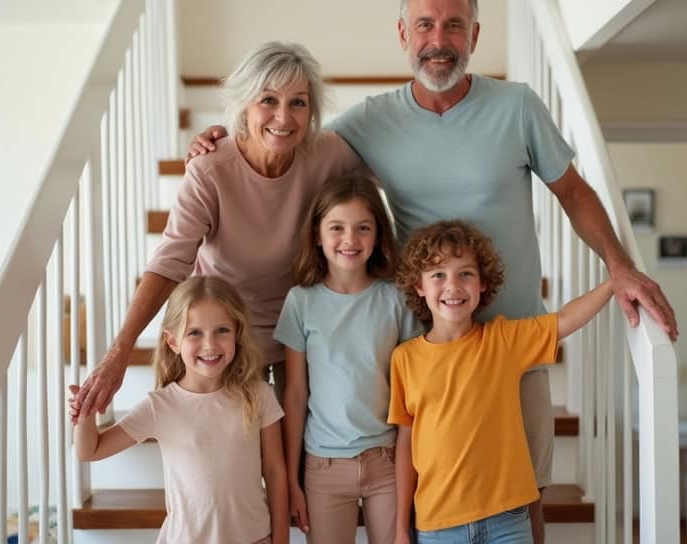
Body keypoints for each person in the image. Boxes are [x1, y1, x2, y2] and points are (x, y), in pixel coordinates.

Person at [188, 0, 677, 540]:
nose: (438, 40)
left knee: (525, 499)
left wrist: (619, 266)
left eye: (453, 25)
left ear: (474, 34)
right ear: (403, 33)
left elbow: (573, 192)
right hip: (429, 349)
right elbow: (286, 135)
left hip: (514, 343)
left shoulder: (518, 106)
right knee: (433, 503)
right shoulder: (372, 121)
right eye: (424, 25)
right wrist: (222, 137)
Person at [72, 41, 363, 422]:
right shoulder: (210, 169)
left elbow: (392, 181)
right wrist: (120, 351)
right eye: (268, 100)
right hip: (224, 338)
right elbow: (169, 263)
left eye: (298, 102)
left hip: (300, 334)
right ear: (244, 104)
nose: (284, 116)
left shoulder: (328, 155)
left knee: (301, 450)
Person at [389, 220, 613, 543]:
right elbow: (405, 443)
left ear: (482, 284)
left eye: (465, 274)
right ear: (419, 286)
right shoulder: (404, 359)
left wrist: (615, 282)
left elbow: (565, 320)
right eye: (438, 275)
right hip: (438, 526)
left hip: (507, 522)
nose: (453, 286)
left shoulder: (503, 340)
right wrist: (400, 528)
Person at [68, 275, 288, 544]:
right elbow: (89, 451)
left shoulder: (259, 395)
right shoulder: (160, 406)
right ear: (172, 342)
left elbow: (275, 471)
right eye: (195, 333)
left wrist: (281, 538)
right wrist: (86, 413)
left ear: (237, 335)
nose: (210, 344)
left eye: (222, 330)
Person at [274, 175, 423, 543]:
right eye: (337, 227)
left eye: (363, 228)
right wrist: (292, 479)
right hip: (323, 465)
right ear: (317, 234)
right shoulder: (301, 302)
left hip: (387, 459)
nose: (350, 239)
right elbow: (295, 394)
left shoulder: (396, 300)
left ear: (378, 235)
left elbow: (414, 392)